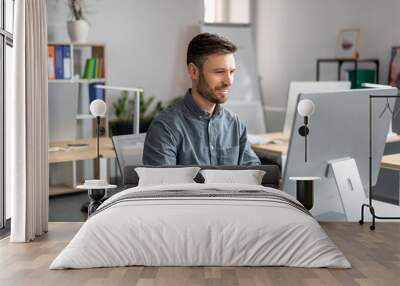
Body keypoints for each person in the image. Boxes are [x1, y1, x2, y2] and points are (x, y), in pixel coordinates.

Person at [142, 33, 260, 166]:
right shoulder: (165, 128)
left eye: (231, 72)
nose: (228, 81)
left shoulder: (234, 124)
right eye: (219, 72)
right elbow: (163, 185)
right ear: (194, 72)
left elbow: (254, 174)